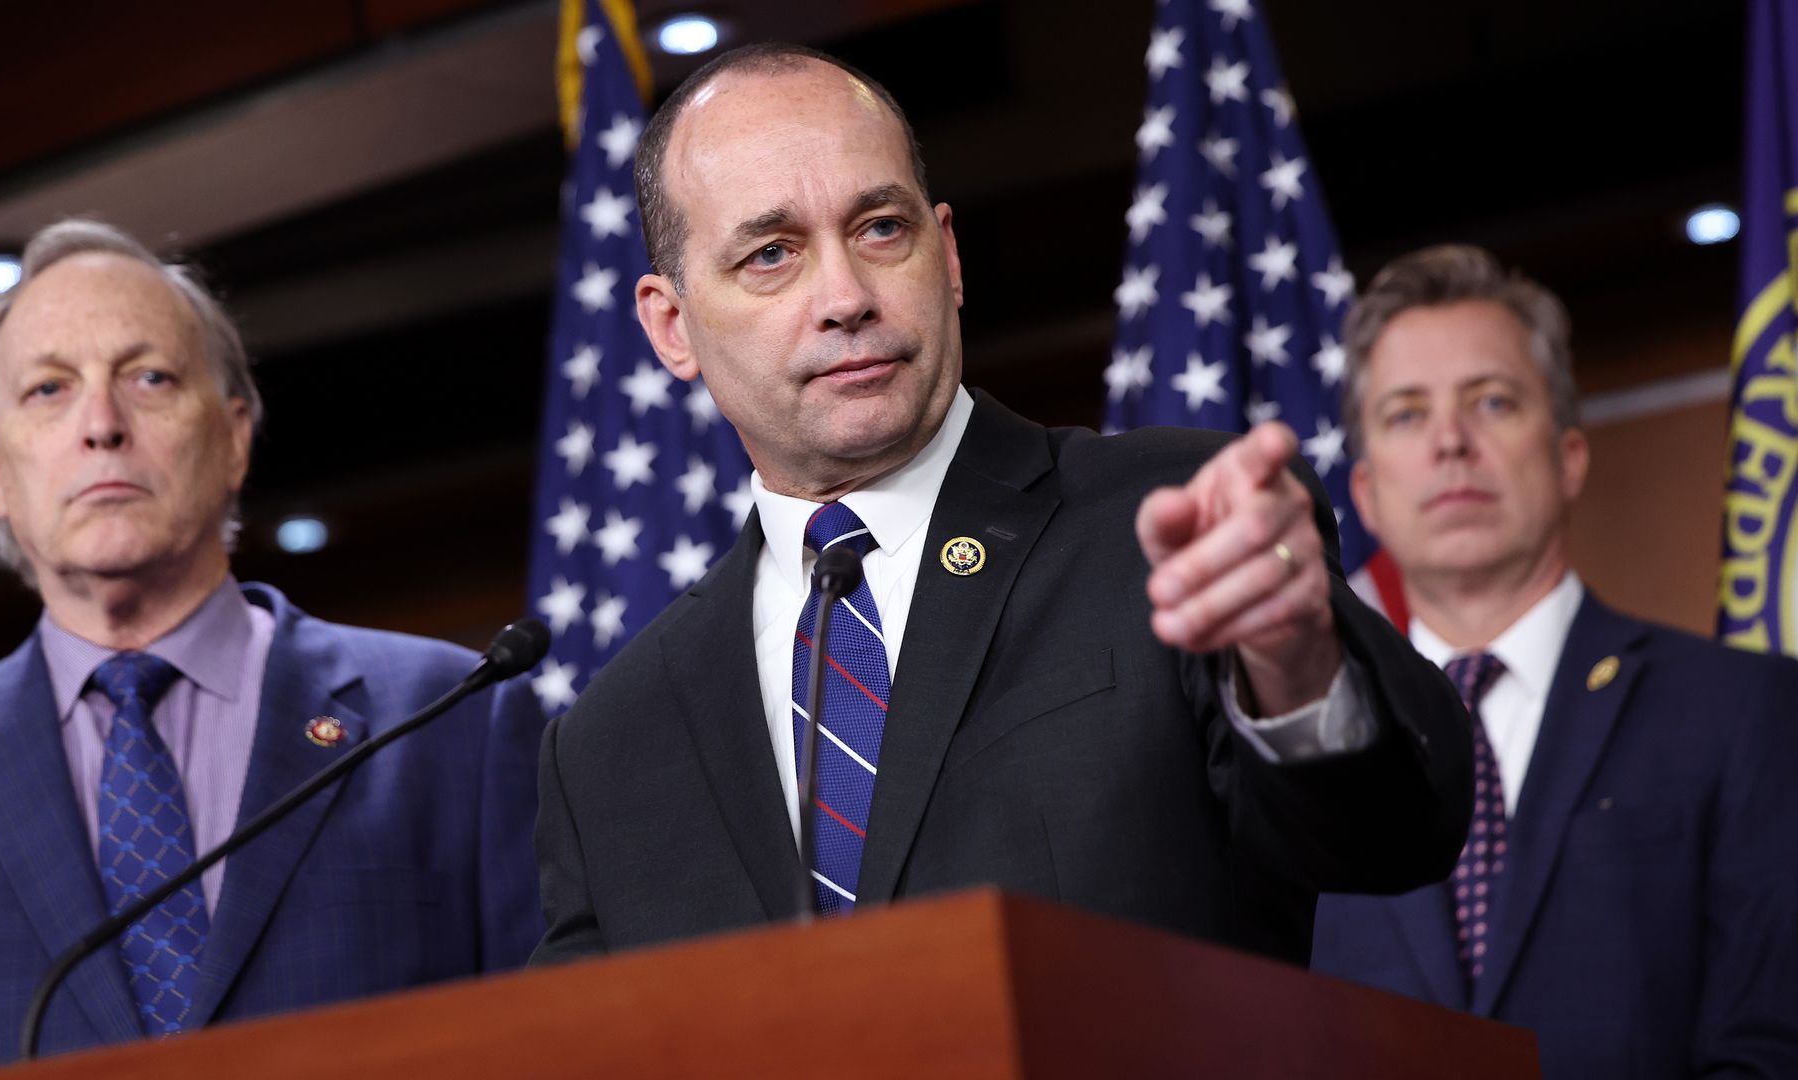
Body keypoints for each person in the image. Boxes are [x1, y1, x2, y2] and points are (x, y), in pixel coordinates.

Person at [529, 43, 1472, 969]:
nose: (847, 296)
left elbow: (1392, 837)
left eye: (881, 228)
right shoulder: (611, 745)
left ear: (947, 255)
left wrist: (1298, 671)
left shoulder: (1174, 528)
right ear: (671, 325)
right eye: (772, 254)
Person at [0, 220, 545, 1077]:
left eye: (148, 377)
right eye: (48, 390)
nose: (101, 425)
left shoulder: (453, 715)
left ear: (233, 434)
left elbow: (555, 1037)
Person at [1311, 244, 1798, 1079]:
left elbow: (1772, 1045)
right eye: (1405, 414)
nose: (1451, 443)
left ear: (1570, 455)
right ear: (1366, 496)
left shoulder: (1743, 709)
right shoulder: (1303, 763)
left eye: (1492, 401)